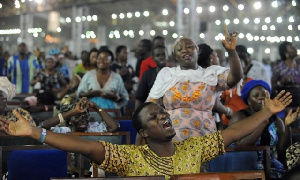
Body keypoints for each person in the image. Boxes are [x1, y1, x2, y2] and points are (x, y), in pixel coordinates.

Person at [0, 90, 293, 179]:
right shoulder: (128, 157)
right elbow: (84, 147)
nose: (164, 117)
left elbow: (233, 133)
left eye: (163, 113)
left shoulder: (194, 148)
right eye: (155, 118)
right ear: (143, 132)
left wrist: (267, 112)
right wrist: (36, 132)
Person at [144, 24, 243, 141]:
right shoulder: (167, 74)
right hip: (172, 141)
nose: (185, 50)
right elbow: (151, 106)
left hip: (204, 138)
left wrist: (231, 52)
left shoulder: (210, 74)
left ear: (197, 50)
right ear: (175, 56)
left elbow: (235, 77)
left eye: (189, 47)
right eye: (179, 49)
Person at [229, 80, 299, 179]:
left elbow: (282, 150)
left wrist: (287, 126)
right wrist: (264, 121)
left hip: (270, 164)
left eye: (264, 95)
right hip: (245, 164)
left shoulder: (276, 120)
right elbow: (242, 146)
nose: (261, 98)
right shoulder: (240, 117)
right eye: (256, 96)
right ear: (249, 101)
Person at [39, 96, 119, 133]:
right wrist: (73, 111)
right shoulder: (64, 131)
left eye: (85, 115)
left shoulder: (93, 128)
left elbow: (114, 127)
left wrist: (96, 107)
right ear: (69, 120)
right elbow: (43, 126)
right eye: (77, 116)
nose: (82, 119)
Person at [220, 53, 253, 129]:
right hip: (227, 121)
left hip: (245, 121)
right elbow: (221, 101)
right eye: (235, 68)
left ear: (245, 68)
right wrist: (226, 112)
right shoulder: (225, 82)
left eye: (241, 67)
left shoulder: (251, 82)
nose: (238, 69)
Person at [135, 45, 168, 110]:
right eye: (158, 55)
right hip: (152, 110)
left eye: (163, 55)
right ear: (153, 58)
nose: (161, 57)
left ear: (167, 57)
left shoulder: (174, 73)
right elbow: (140, 98)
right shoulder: (147, 75)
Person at [272, 41, 300, 107]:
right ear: (285, 52)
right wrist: (282, 82)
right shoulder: (279, 67)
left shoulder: (298, 65)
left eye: (294, 47)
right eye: (291, 47)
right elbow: (273, 86)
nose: (294, 49)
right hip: (285, 103)